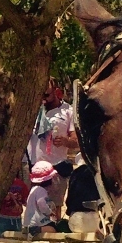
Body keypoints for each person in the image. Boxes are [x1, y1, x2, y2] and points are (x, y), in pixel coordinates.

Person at [27, 80, 76, 208]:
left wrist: (66, 141)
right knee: (33, 209)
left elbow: (76, 141)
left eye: (47, 95)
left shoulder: (68, 111)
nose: (43, 100)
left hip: (55, 170)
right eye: (40, 95)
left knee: (53, 209)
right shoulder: (32, 109)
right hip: (32, 168)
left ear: (56, 92)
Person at [65, 162, 101, 233]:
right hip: (97, 221)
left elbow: (69, 201)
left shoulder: (76, 173)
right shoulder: (98, 174)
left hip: (76, 221)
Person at [24, 161, 59, 233]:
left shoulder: (34, 189)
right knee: (52, 229)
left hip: (30, 221)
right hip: (36, 223)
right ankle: (34, 230)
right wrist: (49, 212)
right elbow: (41, 203)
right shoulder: (41, 190)